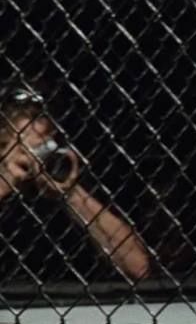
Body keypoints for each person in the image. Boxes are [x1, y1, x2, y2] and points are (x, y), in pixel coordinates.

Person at [0, 85, 150, 281]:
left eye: (43, 139)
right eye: (20, 139)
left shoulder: (74, 173)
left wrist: (71, 193)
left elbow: (138, 268)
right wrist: (5, 180)